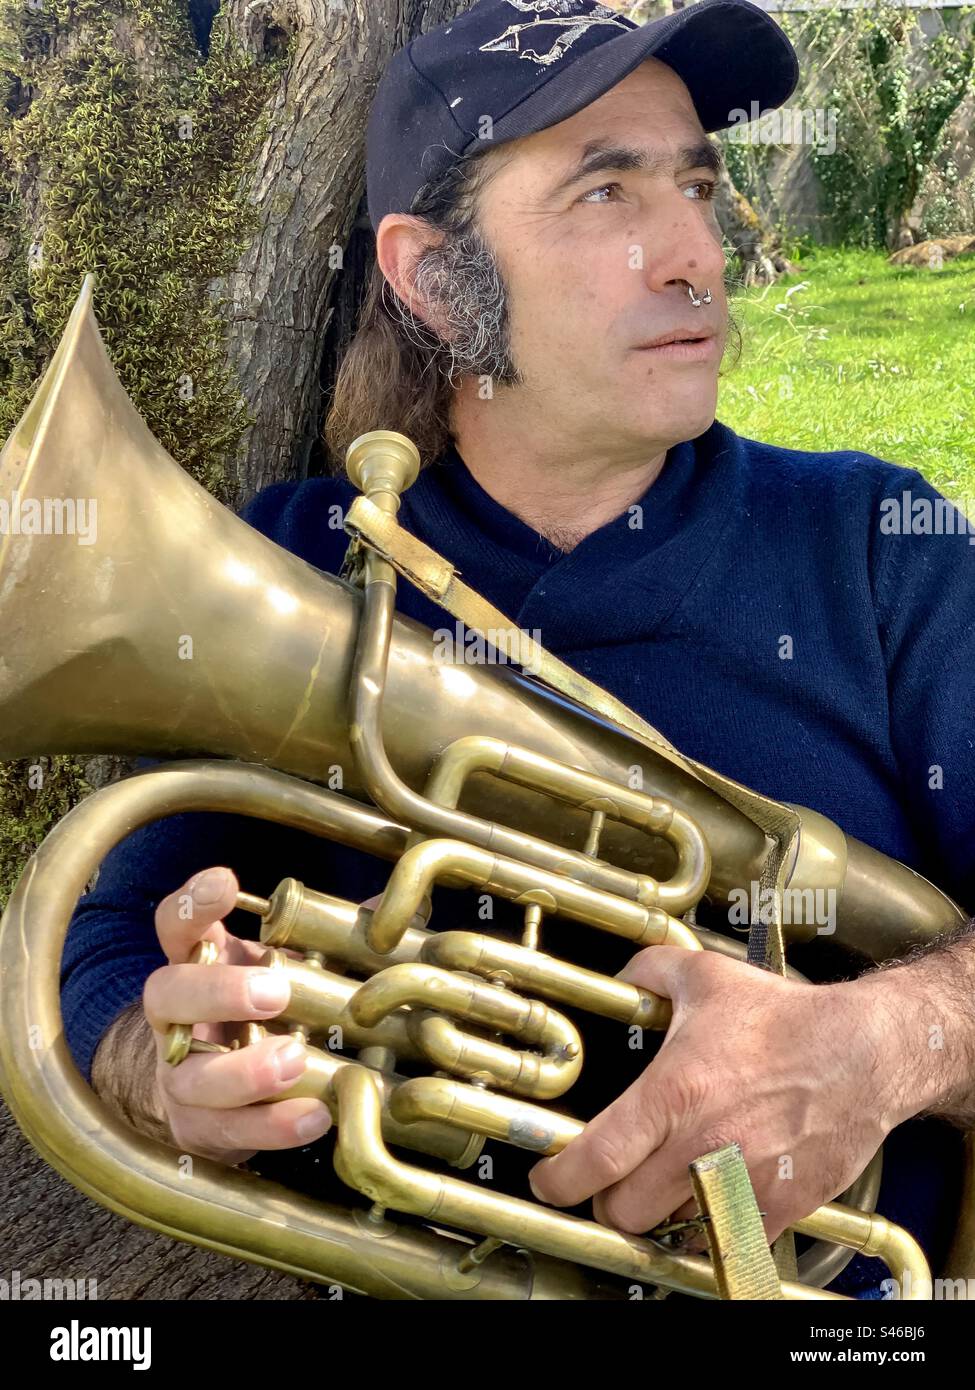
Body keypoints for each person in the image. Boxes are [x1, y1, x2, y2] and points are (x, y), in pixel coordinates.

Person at [62, 0, 975, 1298]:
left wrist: (886, 1041)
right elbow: (98, 936)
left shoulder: (881, 545)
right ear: (435, 278)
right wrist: (159, 1067)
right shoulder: (289, 562)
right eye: (605, 193)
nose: (695, 257)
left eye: (697, 186)